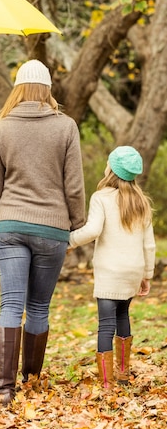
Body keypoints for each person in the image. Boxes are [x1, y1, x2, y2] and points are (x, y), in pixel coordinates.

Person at [0, 59, 85, 406]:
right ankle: (31, 378)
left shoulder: (0, 128)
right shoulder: (66, 127)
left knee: (10, 304)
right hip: (51, 227)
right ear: (48, 89)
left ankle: (4, 390)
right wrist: (78, 222)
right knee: (38, 306)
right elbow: (73, 186)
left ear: (17, 89)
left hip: (9, 224)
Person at [69, 146, 155, 389]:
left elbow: (93, 230)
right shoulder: (141, 202)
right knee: (123, 316)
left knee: (106, 324)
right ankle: (124, 374)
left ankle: (107, 383)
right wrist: (146, 275)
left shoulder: (102, 197)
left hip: (110, 271)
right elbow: (148, 244)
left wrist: (70, 240)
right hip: (133, 270)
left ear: (112, 170)